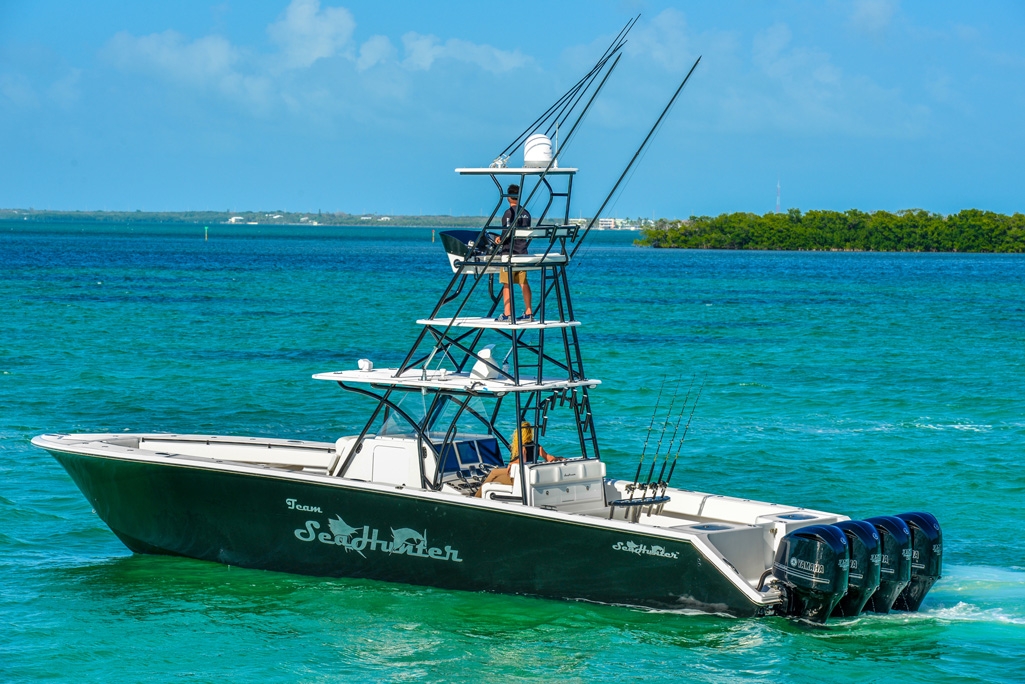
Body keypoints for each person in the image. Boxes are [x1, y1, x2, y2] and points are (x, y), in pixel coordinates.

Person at [474, 421, 559, 497]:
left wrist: (512, 463)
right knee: (496, 473)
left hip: (515, 478)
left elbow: (523, 460)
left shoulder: (523, 447)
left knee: (493, 475)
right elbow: (549, 458)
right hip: (526, 477)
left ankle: (476, 498)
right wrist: (559, 459)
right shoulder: (537, 446)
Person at [494, 184, 533, 322]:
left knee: (507, 283)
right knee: (523, 283)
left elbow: (506, 232)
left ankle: (507, 313)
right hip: (523, 252)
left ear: (508, 197)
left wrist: (499, 239)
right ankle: (529, 312)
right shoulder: (526, 212)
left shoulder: (509, 213)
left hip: (509, 254)